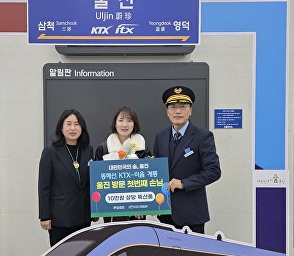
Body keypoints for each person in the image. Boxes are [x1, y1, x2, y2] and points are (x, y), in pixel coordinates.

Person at [153, 86, 221, 234]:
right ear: (167, 112)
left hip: (192, 214)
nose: (177, 111)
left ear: (190, 110)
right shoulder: (160, 136)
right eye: (173, 107)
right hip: (166, 214)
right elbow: (156, 172)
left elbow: (213, 171)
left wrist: (184, 183)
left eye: (183, 106)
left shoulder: (203, 136)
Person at [38, 108, 94, 246]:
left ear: (82, 128)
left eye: (77, 124)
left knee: (83, 255)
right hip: (60, 218)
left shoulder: (88, 150)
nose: (73, 128)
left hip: (83, 217)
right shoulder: (50, 152)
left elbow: (91, 183)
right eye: (68, 124)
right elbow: (44, 186)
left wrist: (95, 210)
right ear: (61, 128)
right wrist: (45, 216)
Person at [94, 106, 151, 222]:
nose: (125, 125)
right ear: (115, 124)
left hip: (137, 210)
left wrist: (142, 206)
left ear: (134, 124)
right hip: (110, 206)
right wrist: (97, 208)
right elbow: (96, 179)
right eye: (121, 120)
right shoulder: (104, 148)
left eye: (129, 121)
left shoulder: (142, 147)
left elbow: (149, 179)